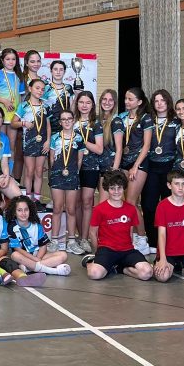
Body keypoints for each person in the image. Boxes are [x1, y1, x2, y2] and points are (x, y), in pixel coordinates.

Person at [81, 171, 153, 281]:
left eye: (119, 188)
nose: (116, 192)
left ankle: (120, 269)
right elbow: (92, 233)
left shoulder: (131, 209)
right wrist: (97, 253)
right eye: (112, 188)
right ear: (107, 189)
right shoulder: (99, 209)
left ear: (123, 188)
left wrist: (128, 247)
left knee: (147, 273)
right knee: (94, 274)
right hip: (107, 250)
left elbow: (130, 232)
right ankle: (90, 262)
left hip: (127, 250)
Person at [141, 89, 180, 253]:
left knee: (168, 207)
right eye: (156, 101)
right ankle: (152, 240)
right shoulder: (148, 120)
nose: (159, 104)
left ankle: (170, 241)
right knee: (149, 205)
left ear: (168, 102)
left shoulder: (176, 122)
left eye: (162, 100)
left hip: (169, 169)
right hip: (151, 168)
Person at [119, 87, 153, 255]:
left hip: (138, 164)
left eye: (130, 99)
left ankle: (142, 238)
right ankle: (130, 236)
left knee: (131, 203)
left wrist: (135, 165)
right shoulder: (122, 117)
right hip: (125, 163)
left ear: (139, 102)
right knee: (126, 202)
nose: (127, 102)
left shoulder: (146, 119)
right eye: (126, 98)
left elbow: (146, 145)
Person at [70, 91, 104, 255]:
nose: (84, 105)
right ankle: (76, 235)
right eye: (81, 102)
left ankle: (84, 238)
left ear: (92, 105)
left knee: (87, 201)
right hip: (73, 168)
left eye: (88, 102)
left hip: (90, 167)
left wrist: (82, 141)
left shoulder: (96, 124)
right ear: (77, 104)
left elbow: (99, 149)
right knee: (74, 203)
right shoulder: (71, 122)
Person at [3, 196, 71, 276]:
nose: (23, 213)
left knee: (63, 255)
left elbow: (43, 246)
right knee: (14, 255)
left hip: (38, 255)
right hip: (23, 257)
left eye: (26, 210)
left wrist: (38, 258)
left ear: (30, 210)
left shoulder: (36, 225)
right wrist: (34, 259)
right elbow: (17, 249)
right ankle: (51, 270)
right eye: (19, 210)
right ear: (14, 212)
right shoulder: (11, 226)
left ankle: (29, 269)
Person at [0, 48, 25, 179]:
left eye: (13, 59)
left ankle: (10, 176)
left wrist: (19, 115)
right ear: (2, 60)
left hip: (13, 117)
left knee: (11, 148)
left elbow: (21, 98)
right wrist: (4, 101)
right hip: (1, 116)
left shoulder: (19, 76)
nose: (10, 61)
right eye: (8, 59)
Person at [11, 79, 51, 208]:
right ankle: (28, 198)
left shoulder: (45, 106)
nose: (40, 91)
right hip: (28, 142)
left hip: (42, 143)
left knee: (39, 172)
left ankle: (37, 199)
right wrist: (23, 123)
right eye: (37, 88)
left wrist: (48, 141)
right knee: (29, 171)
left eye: (42, 89)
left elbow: (48, 126)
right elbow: (13, 122)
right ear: (30, 88)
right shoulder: (24, 106)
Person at [48, 110, 83, 249]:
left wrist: (72, 172)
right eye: (64, 119)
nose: (67, 121)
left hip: (72, 176)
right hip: (57, 176)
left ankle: (72, 241)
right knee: (57, 208)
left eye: (69, 118)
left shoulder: (79, 138)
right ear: (60, 122)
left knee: (71, 209)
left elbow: (80, 159)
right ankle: (55, 240)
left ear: (73, 120)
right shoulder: (55, 138)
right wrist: (57, 171)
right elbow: (51, 158)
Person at [97, 89, 124, 202]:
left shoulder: (116, 121)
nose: (107, 102)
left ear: (115, 103)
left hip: (108, 169)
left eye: (110, 100)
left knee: (104, 203)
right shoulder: (97, 120)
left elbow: (119, 149)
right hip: (96, 167)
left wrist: (114, 171)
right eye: (104, 99)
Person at [43, 60, 75, 135]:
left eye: (61, 69)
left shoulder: (68, 88)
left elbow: (72, 109)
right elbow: (42, 108)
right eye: (55, 69)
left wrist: (76, 96)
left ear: (64, 72)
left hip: (65, 126)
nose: (58, 72)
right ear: (51, 71)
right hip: (49, 126)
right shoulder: (46, 88)